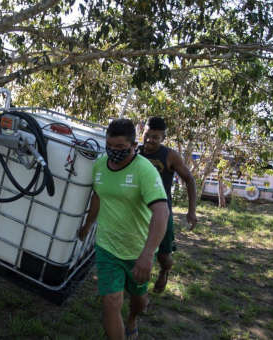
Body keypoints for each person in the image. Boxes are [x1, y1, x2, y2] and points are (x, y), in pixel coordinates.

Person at [78, 118, 169, 340]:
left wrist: (147, 255)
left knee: (139, 301)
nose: (113, 151)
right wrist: (88, 225)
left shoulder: (144, 171)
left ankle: (132, 319)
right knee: (111, 302)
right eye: (109, 146)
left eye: (120, 147)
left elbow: (161, 212)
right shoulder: (100, 165)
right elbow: (98, 197)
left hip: (138, 250)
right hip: (107, 246)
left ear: (133, 146)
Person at [139, 117, 198, 294]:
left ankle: (164, 271)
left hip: (161, 213)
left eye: (155, 137)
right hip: (137, 212)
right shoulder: (134, 151)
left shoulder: (170, 155)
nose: (150, 140)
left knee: (164, 256)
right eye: (147, 135)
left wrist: (192, 211)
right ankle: (136, 289)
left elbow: (189, 179)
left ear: (163, 137)